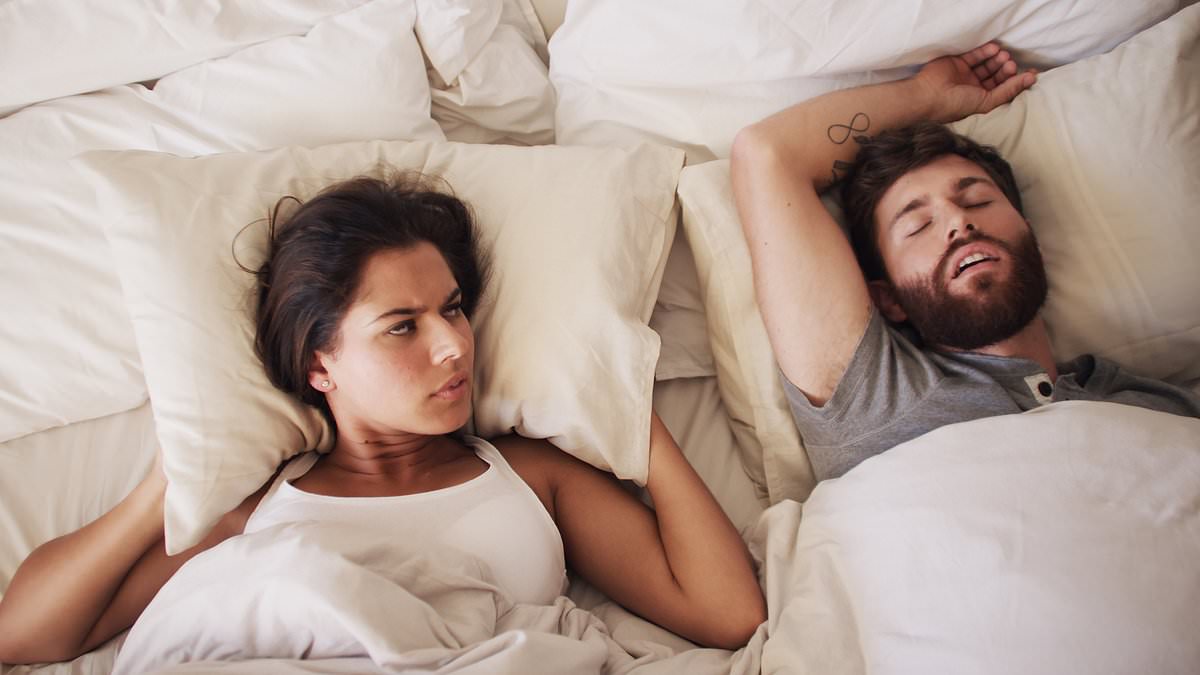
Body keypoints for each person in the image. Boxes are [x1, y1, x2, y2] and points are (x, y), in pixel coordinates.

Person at [0, 176, 766, 665]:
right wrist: (161, 490)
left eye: (454, 309)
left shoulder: (531, 475)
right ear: (319, 365)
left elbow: (727, 613)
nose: (453, 344)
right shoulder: (257, 509)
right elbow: (25, 634)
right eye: (403, 325)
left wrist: (628, 414)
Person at [730, 42, 1200, 482]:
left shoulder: (1143, 402)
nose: (959, 222)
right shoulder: (873, 399)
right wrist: (925, 96)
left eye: (977, 201)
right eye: (918, 226)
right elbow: (767, 155)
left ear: (1031, 239)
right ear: (889, 298)